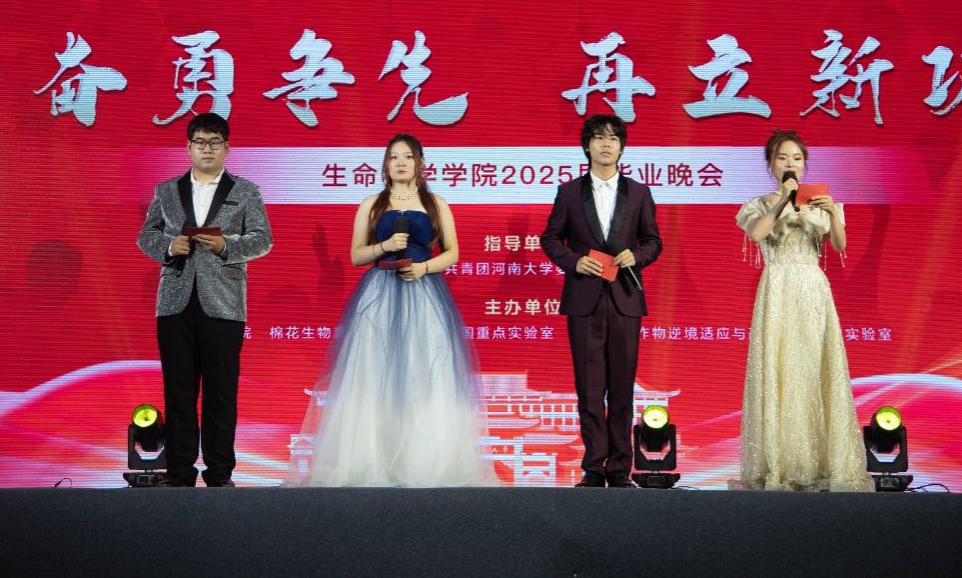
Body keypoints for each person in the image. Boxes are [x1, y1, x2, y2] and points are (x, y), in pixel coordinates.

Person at [298, 133, 495, 487]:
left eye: (407, 156)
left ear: (420, 163)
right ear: (386, 164)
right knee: (373, 371)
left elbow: (452, 252)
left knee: (423, 370)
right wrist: (385, 246)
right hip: (379, 295)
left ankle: (423, 461)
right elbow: (357, 255)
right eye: (393, 157)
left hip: (424, 293)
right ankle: (370, 459)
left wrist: (424, 268)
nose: (400, 163)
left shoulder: (436, 204)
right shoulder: (372, 204)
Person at [136, 113, 273, 487]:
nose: (207, 149)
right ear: (188, 147)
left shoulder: (246, 191)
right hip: (174, 302)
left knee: (221, 391)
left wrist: (227, 245)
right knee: (178, 389)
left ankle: (219, 472)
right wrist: (169, 247)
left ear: (226, 148)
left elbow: (263, 239)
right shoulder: (167, 191)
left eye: (214, 142)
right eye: (200, 142)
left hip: (225, 303)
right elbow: (146, 236)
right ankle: (179, 470)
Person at [735, 129, 871, 491]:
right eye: (782, 158)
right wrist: (784, 199)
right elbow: (757, 234)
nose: (790, 164)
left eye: (796, 158)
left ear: (805, 164)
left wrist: (833, 214)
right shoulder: (759, 204)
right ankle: (779, 463)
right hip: (777, 288)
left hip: (811, 289)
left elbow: (839, 244)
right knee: (779, 370)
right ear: (770, 164)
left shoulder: (821, 202)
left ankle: (820, 462)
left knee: (813, 369)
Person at [540, 114, 662, 487]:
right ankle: (594, 466)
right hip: (584, 298)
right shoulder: (569, 192)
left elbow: (653, 241)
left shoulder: (639, 193)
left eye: (612, 138)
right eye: (598, 137)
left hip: (625, 298)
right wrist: (574, 261)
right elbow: (550, 238)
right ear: (587, 146)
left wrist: (636, 256)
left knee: (622, 387)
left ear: (622, 147)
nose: (605, 144)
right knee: (590, 388)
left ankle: (620, 467)